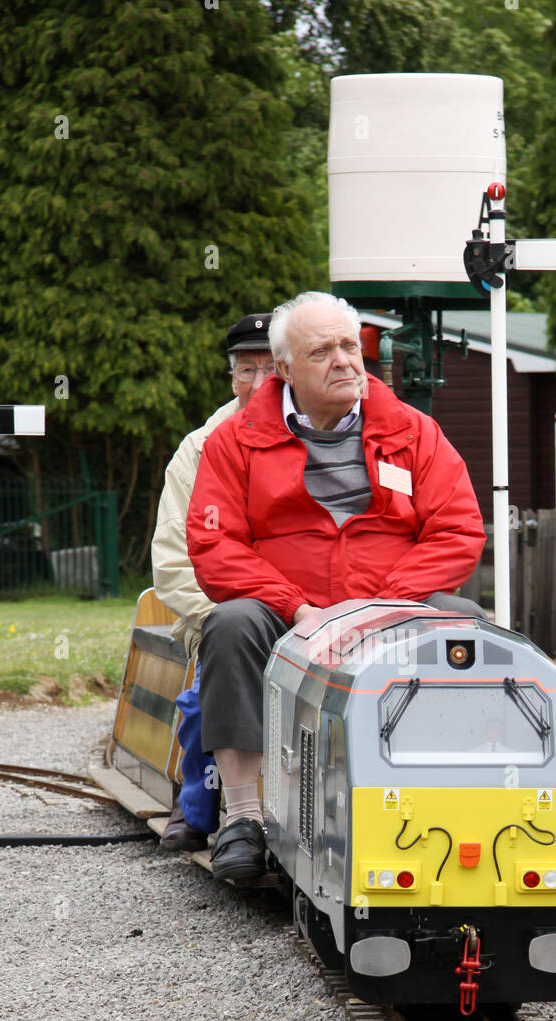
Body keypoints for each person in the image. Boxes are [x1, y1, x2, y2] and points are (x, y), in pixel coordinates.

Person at [186, 290, 486, 881]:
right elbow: (214, 545)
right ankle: (243, 818)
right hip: (288, 610)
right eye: (323, 351)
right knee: (230, 624)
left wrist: (383, 604)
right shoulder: (235, 441)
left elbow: (457, 530)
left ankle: (453, 800)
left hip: (392, 602)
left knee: (463, 621)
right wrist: (295, 606)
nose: (345, 361)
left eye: (351, 346)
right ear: (286, 369)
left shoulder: (415, 433)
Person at [151, 313, 274, 850]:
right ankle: (195, 803)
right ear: (232, 378)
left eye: (272, 368)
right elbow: (173, 561)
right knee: (210, 692)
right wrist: (218, 621)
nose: (260, 382)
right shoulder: (198, 450)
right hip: (220, 607)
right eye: (247, 369)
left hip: (305, 614)